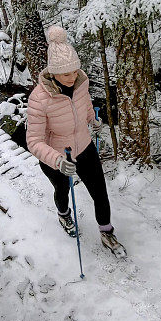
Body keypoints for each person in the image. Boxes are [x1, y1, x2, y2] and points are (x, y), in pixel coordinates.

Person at [26, 25, 124, 254]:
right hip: (57, 156)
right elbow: (33, 140)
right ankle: (63, 215)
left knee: (99, 190)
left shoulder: (80, 82)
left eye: (75, 70)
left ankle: (106, 232)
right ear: (53, 72)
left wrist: (91, 119)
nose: (72, 77)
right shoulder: (39, 99)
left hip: (84, 146)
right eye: (66, 73)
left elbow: (84, 103)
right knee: (62, 190)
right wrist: (58, 160)